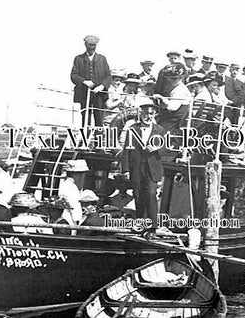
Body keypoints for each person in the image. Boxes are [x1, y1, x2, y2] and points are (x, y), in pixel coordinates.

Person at [121, 103, 166, 239]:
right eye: (146, 114)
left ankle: (152, 228)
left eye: (151, 114)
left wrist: (156, 148)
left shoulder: (160, 130)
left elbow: (166, 149)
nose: (148, 117)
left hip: (152, 169)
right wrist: (126, 170)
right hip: (137, 168)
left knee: (151, 194)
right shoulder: (132, 130)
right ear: (141, 114)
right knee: (139, 196)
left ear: (154, 115)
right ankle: (140, 223)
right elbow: (126, 152)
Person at [71, 35, 112, 127]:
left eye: (94, 46)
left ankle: (99, 140)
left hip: (100, 94)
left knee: (99, 119)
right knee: (85, 118)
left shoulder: (102, 59)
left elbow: (108, 76)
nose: (92, 48)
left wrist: (102, 86)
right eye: (90, 45)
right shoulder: (79, 59)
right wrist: (84, 81)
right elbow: (73, 75)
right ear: (85, 45)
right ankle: (85, 138)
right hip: (84, 93)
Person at [152, 63, 192, 133]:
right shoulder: (176, 88)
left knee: (156, 129)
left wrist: (162, 98)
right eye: (170, 78)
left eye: (175, 78)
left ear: (181, 77)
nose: (171, 81)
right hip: (173, 119)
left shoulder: (180, 90)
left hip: (174, 121)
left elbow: (172, 107)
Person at [58, 159, 89, 224]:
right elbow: (74, 208)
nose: (82, 176)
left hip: (66, 217)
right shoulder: (72, 188)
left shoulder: (66, 184)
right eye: (81, 174)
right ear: (75, 174)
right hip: (70, 219)